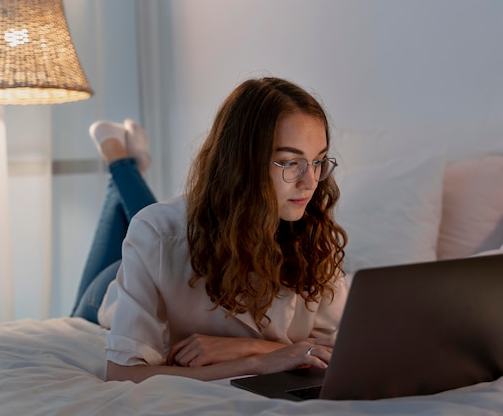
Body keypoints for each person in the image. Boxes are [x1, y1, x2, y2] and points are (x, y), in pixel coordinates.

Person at [72, 77, 348, 383]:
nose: (310, 182)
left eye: (319, 161)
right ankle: (117, 156)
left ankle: (122, 158)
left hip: (156, 248)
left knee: (146, 219)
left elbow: (330, 352)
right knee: (146, 223)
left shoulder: (313, 234)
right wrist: (259, 362)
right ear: (243, 164)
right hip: (104, 295)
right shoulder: (156, 235)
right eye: (290, 162)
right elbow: (123, 372)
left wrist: (245, 348)